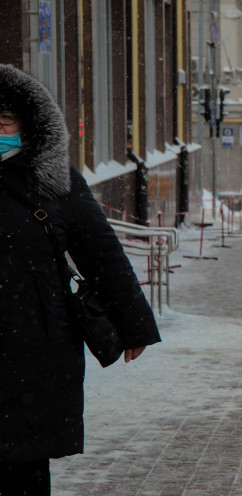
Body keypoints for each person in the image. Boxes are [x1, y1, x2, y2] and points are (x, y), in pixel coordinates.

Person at [0, 64, 161, 494]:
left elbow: (102, 254)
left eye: (6, 120)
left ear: (29, 125)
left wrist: (135, 324)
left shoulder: (55, 182)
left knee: (23, 466)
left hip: (35, 348)